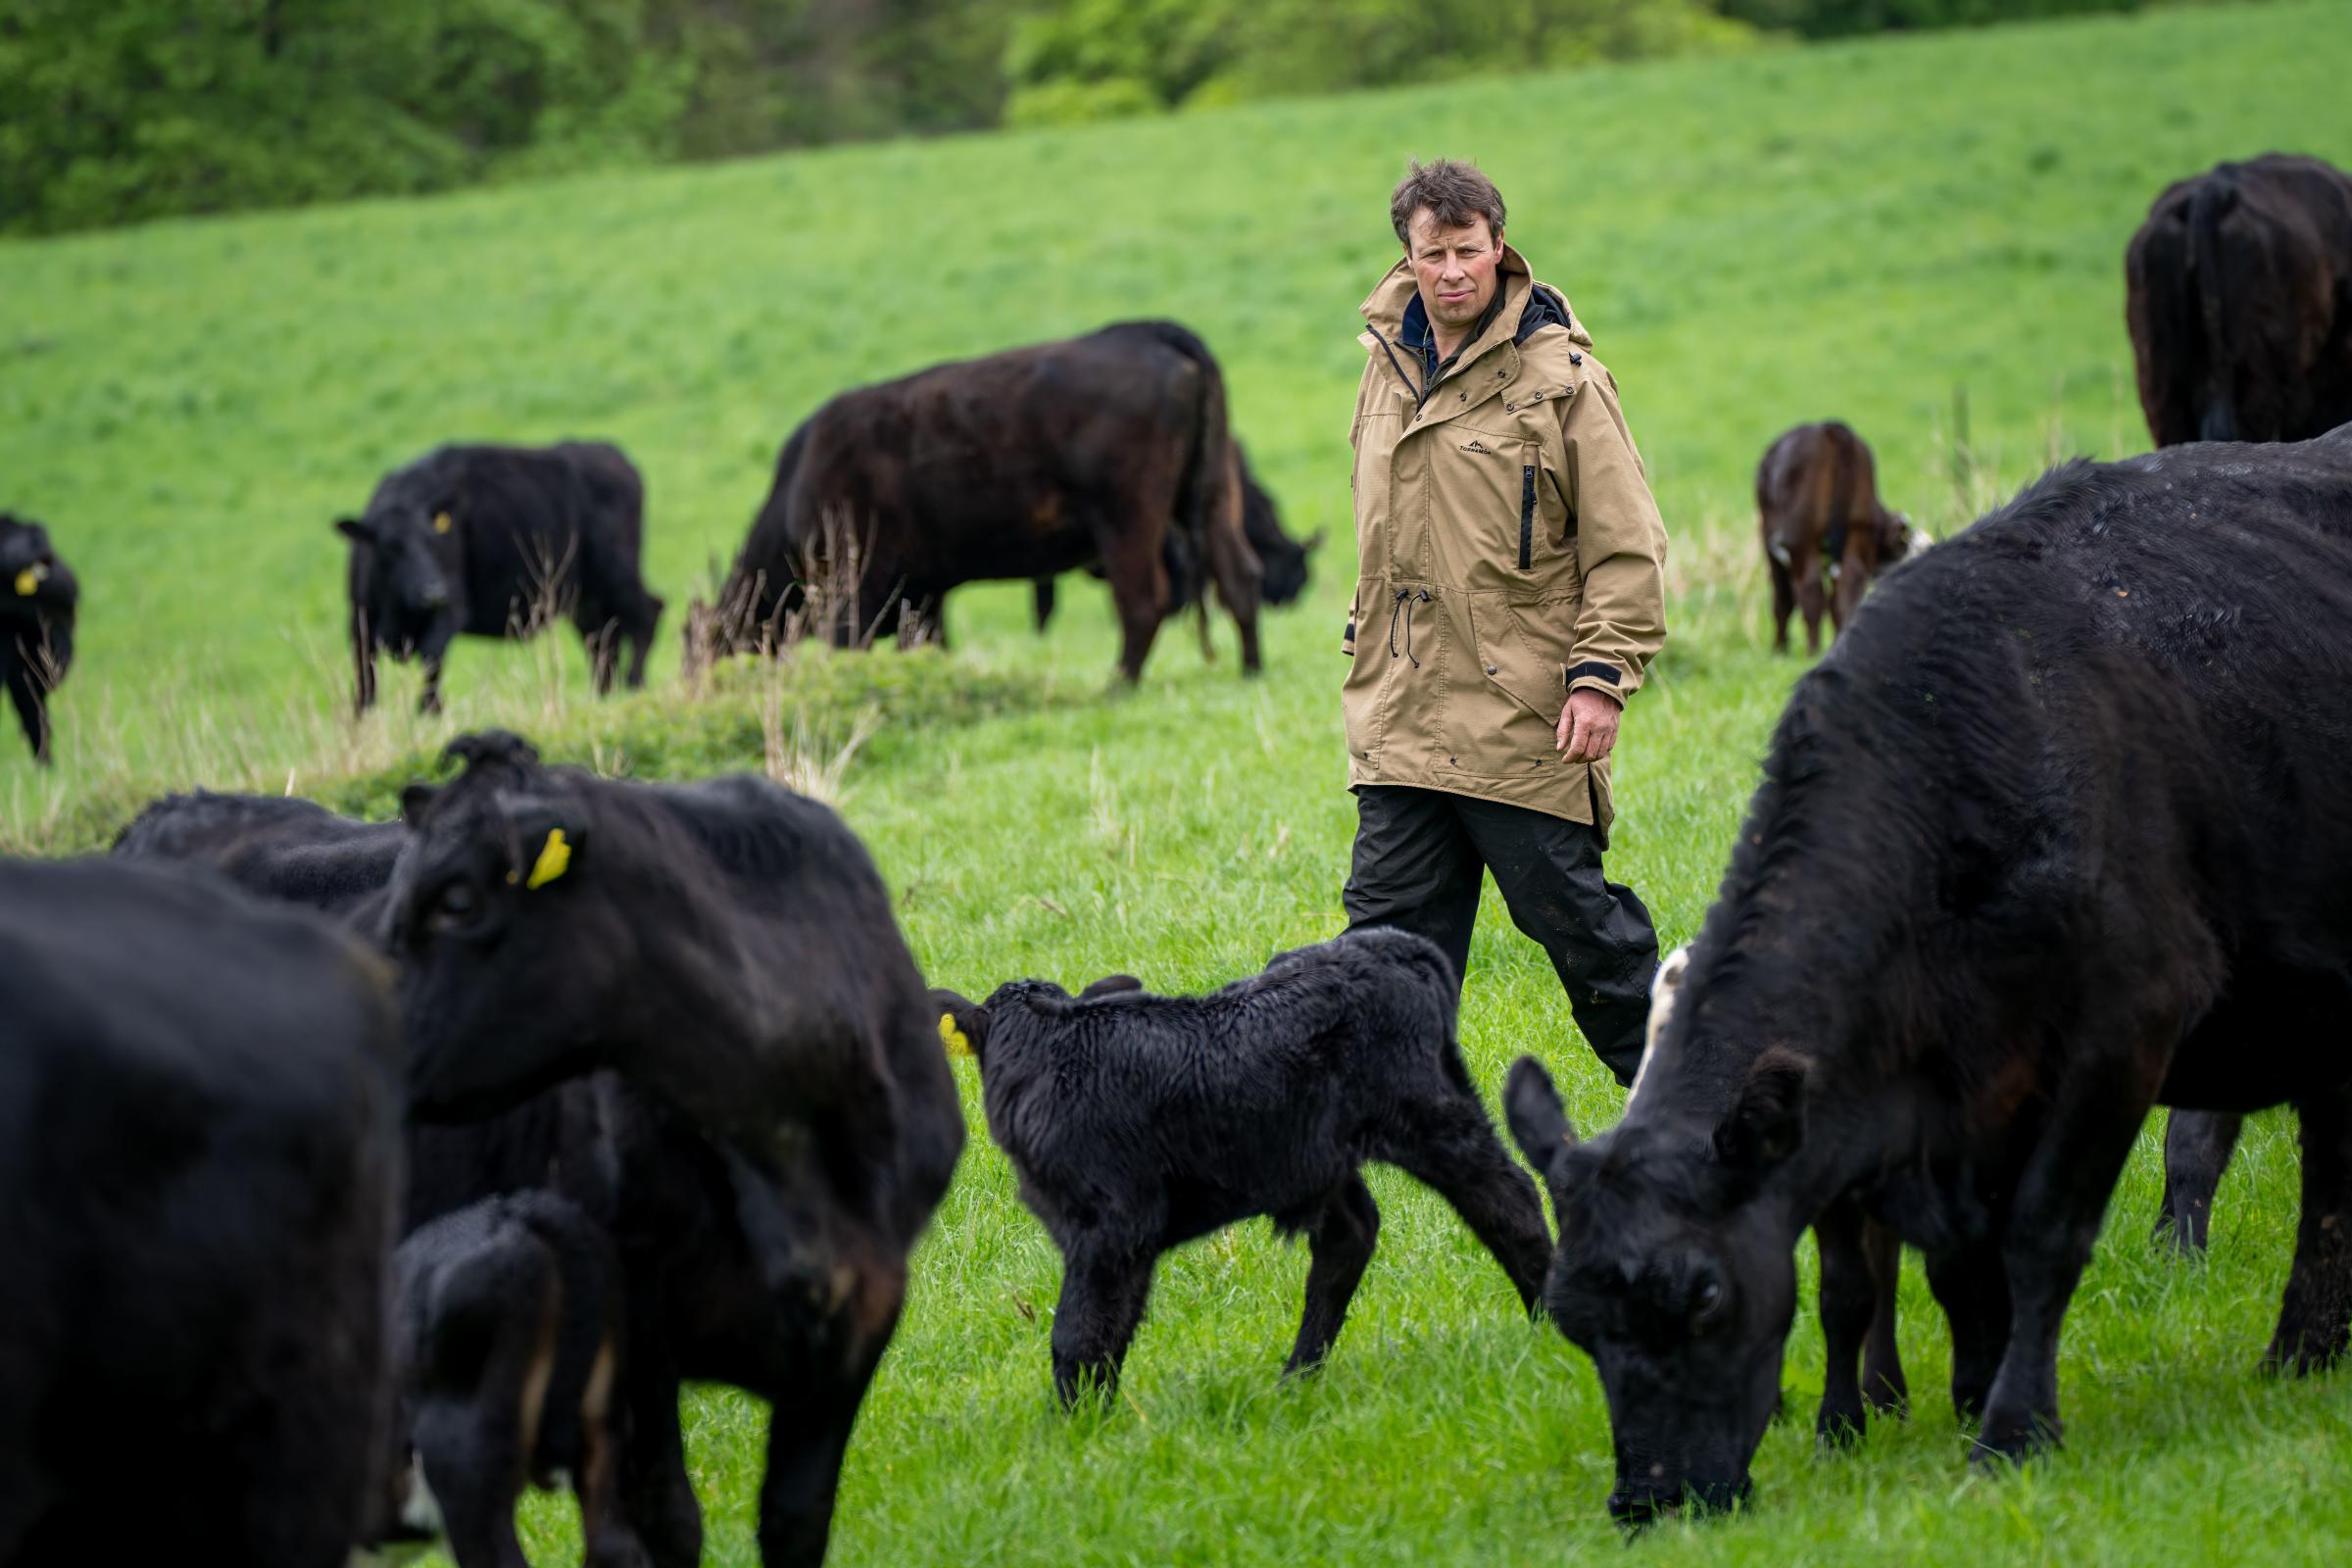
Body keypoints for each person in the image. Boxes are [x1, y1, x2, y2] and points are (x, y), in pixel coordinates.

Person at [1341, 158, 1668, 1085]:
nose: (1451, 271)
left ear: (1499, 247)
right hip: (1402, 715)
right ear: (1407, 255)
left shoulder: (1562, 379)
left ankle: (1689, 1103)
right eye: (1432, 252)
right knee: (1381, 955)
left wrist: (1600, 677)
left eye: (1468, 251)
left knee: (1583, 934)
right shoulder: (1385, 368)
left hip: (1520, 717)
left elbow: (1628, 549)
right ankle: (1386, 1133)